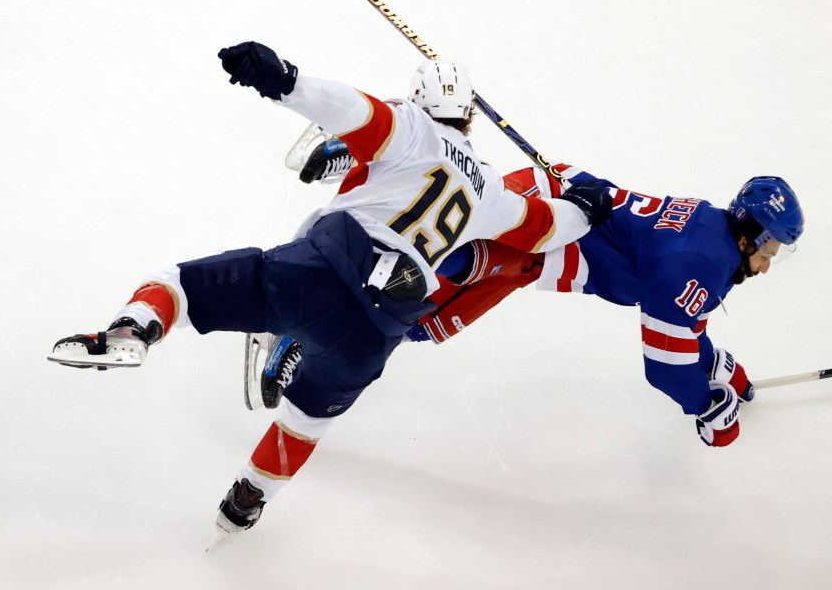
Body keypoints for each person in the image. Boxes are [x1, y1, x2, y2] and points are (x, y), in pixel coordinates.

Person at [48, 42, 612, 539]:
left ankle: (133, 330)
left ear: (417, 101)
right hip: (375, 331)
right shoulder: (489, 189)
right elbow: (547, 229)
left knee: (182, 287)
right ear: (469, 117)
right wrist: (586, 206)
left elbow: (352, 109)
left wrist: (282, 78)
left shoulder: (411, 129)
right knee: (304, 421)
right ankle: (248, 501)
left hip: (316, 274)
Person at [294, 148, 805, 447]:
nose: (769, 263)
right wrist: (706, 406)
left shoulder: (709, 234)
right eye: (772, 249)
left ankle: (387, 174)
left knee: (429, 316)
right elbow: (666, 367)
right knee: (415, 290)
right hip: (536, 235)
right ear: (750, 236)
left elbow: (684, 324)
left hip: (544, 221)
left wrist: (717, 366)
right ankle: (372, 177)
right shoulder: (698, 266)